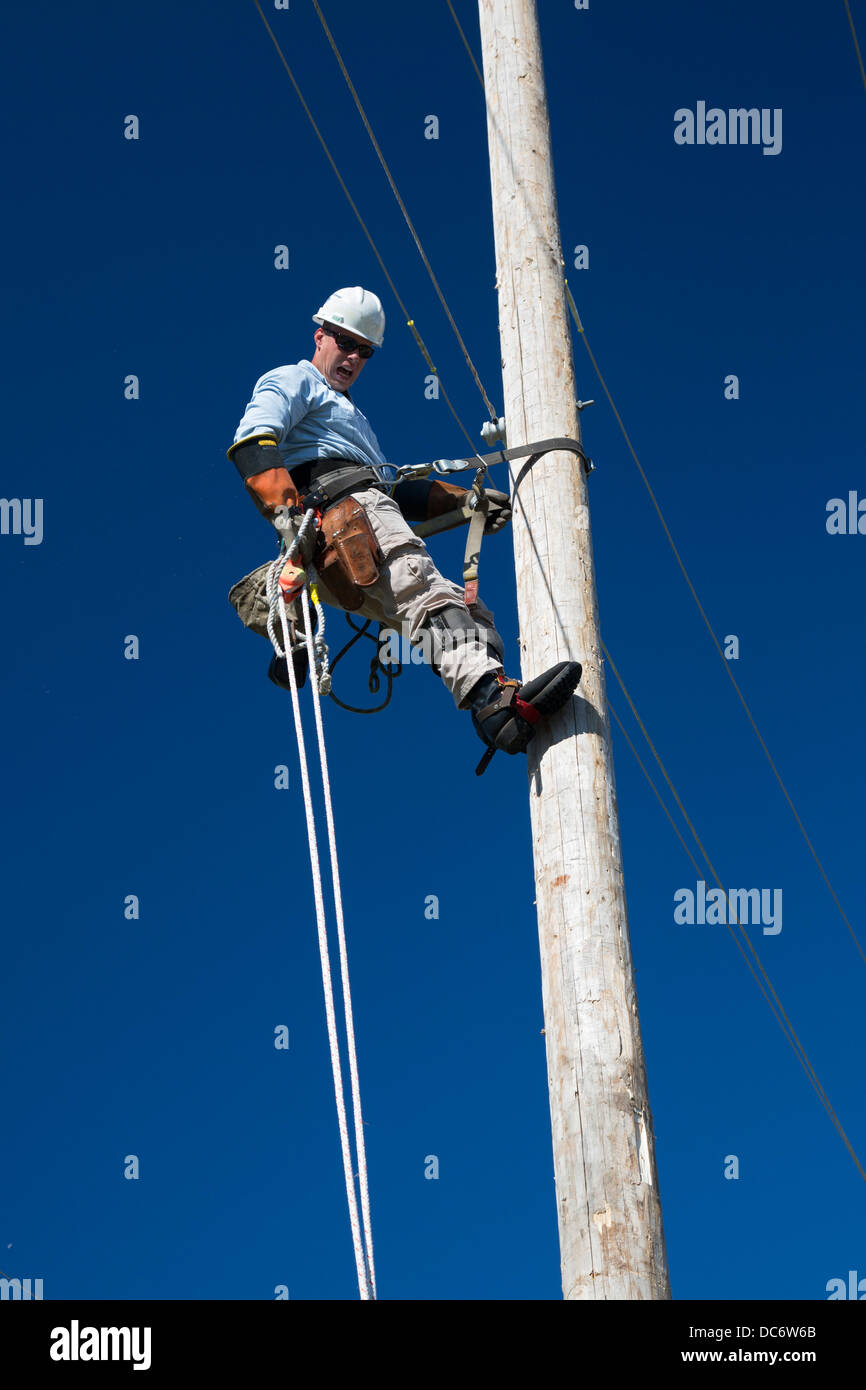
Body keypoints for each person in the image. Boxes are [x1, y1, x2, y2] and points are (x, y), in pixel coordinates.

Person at [227, 286, 581, 770]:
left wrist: (463, 501)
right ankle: (493, 705)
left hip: (362, 515)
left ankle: (499, 699)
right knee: (426, 596)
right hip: (344, 515)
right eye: (345, 342)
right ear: (320, 335)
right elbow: (253, 439)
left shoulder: (353, 418)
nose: (353, 356)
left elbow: (393, 489)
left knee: (450, 611)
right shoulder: (295, 380)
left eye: (364, 351)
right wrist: (287, 515)